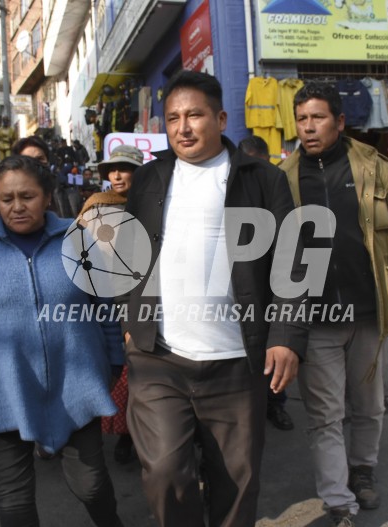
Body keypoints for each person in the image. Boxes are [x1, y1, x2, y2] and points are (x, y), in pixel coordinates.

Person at [119, 71, 308, 526]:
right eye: (173, 118)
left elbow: (293, 262)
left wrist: (285, 336)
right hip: (161, 359)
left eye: (195, 115)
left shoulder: (262, 180)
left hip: (237, 362)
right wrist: (131, 317)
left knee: (237, 483)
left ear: (221, 118)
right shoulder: (149, 179)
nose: (183, 127)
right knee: (164, 472)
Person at [279, 81, 388, 527]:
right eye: (302, 119)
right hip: (317, 318)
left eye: (318, 118)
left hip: (369, 313)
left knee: (368, 405)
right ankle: (338, 500)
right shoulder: (284, 179)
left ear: (340, 121)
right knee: (325, 414)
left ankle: (363, 470)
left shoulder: (374, 167)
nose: (309, 128)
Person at [0, 156, 124, 527]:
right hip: (0, 390)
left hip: (77, 386)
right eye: (6, 199)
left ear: (47, 198)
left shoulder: (76, 241)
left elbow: (103, 307)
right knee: (14, 502)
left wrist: (113, 363)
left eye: (27, 196)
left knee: (90, 484)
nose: (17, 206)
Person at [79, 144, 144, 464]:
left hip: (143, 298)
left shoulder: (152, 204)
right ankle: (119, 434)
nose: (117, 175)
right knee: (113, 369)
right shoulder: (94, 206)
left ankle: (133, 436)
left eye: (125, 168)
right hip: (104, 301)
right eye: (111, 170)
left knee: (140, 372)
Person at [238, 135, 294, 432]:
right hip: (244, 289)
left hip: (272, 285)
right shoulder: (232, 191)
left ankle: (276, 404)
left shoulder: (276, 185)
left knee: (275, 350)